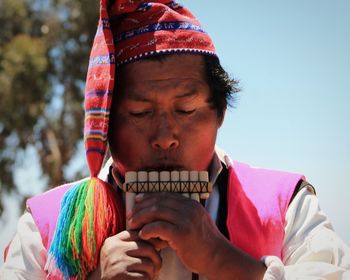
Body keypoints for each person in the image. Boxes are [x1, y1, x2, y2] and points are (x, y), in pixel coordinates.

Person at [1, 1, 350, 279]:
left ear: (220, 114)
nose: (165, 138)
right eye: (139, 113)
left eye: (186, 110)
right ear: (105, 124)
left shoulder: (285, 205)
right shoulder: (46, 225)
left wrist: (223, 261)